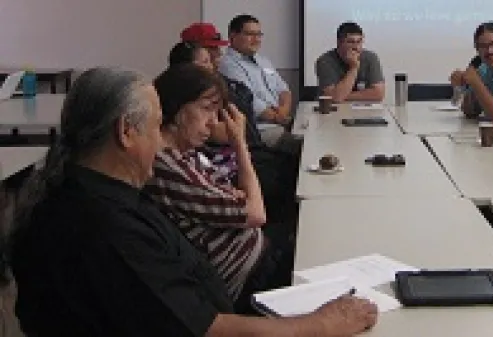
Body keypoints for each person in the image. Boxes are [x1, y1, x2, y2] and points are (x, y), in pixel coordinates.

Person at [8, 67, 377, 336]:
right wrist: (320, 324)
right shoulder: (102, 227)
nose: (161, 141)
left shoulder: (94, 193)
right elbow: (207, 328)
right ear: (126, 132)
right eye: (155, 128)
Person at [146, 65, 288, 312]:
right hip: (247, 281)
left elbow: (241, 197)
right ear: (176, 106)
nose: (213, 123)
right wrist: (239, 143)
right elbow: (256, 213)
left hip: (256, 257)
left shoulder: (186, 153)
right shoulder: (166, 164)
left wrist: (241, 200)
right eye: (206, 109)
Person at [219, 15, 294, 148]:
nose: (257, 39)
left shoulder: (263, 60)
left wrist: (283, 111)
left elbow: (283, 89)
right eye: (250, 34)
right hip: (260, 129)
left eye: (259, 34)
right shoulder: (228, 65)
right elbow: (248, 100)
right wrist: (277, 118)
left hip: (281, 121)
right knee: (304, 145)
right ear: (233, 36)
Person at [315, 21, 385, 102]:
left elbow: (379, 94)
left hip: (363, 111)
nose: (356, 47)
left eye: (359, 42)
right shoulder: (325, 61)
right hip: (333, 111)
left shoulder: (371, 58)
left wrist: (343, 95)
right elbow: (335, 98)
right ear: (339, 43)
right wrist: (354, 67)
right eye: (351, 42)